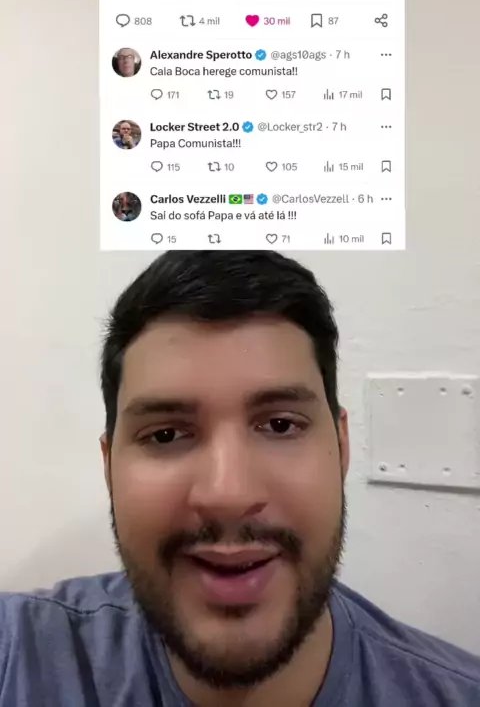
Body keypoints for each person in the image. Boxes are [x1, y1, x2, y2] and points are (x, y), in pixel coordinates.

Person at [0, 250, 479, 707]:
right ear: (109, 467)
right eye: (166, 434)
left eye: (281, 425)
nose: (228, 495)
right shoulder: (15, 656)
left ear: (342, 447)